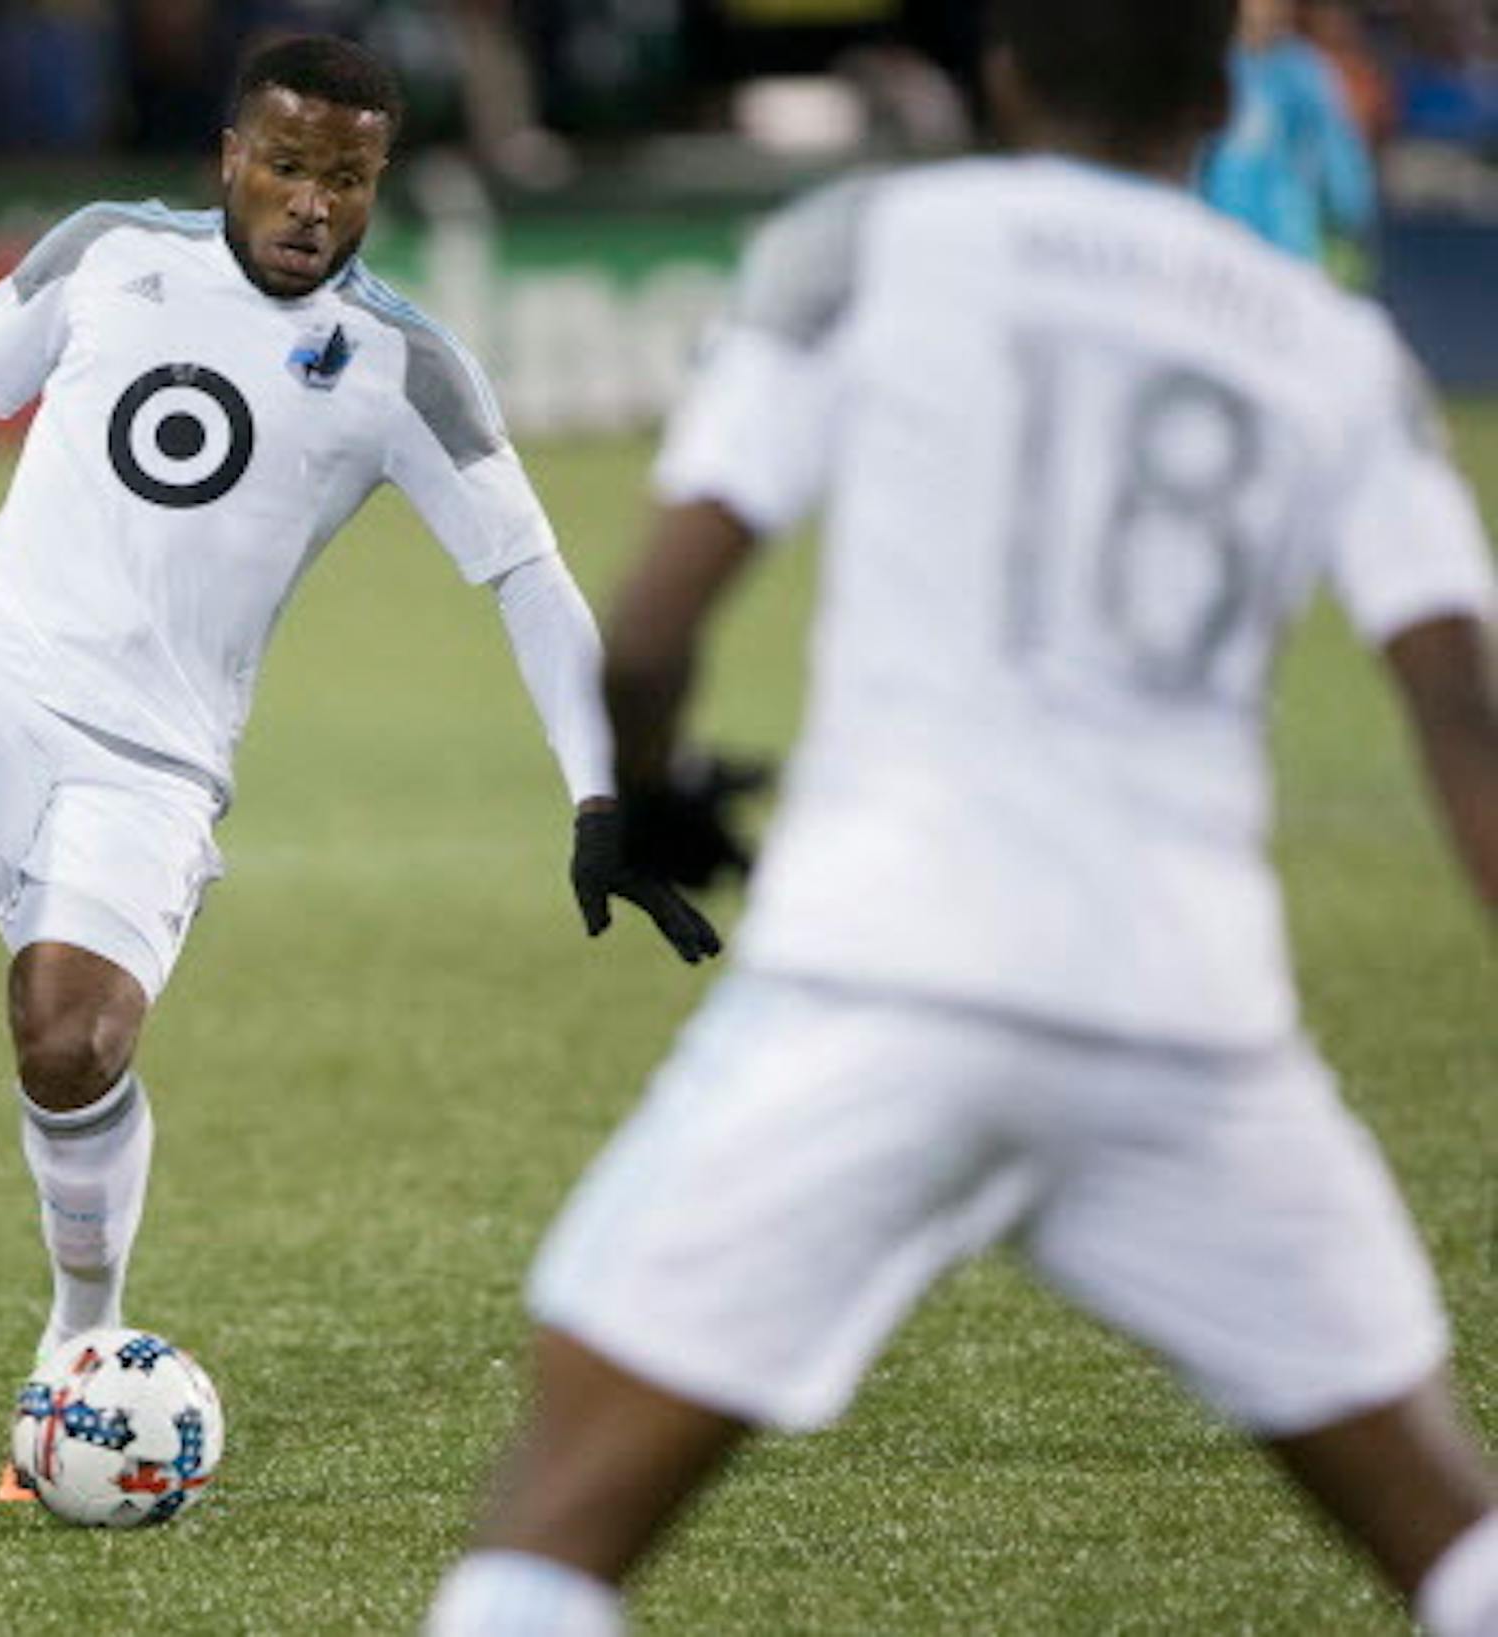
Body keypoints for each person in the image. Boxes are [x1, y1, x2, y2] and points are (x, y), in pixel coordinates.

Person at [425, 0, 1498, 1630]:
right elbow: (1463, 715)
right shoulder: (1335, 348)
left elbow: (649, 632)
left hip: (883, 970)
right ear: (1221, 95)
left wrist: (646, 801)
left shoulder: (873, 243)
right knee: (1452, 1533)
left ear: (1001, 77)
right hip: (1189, 1020)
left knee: (548, 1536)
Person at [0, 33, 720, 1485]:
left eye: (348, 177)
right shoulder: (106, 257)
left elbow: (525, 578)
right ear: (229, 154)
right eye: (287, 165)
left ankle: (78, 1342)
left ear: (379, 181)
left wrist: (605, 790)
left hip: (153, 761)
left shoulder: (406, 367)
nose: (313, 203)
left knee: (70, 1035)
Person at [1200, 0, 1376, 270]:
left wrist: (1347, 214)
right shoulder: (1211, 64)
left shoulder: (1303, 71)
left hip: (1285, 245)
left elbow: (1341, 166)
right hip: (1213, 239)